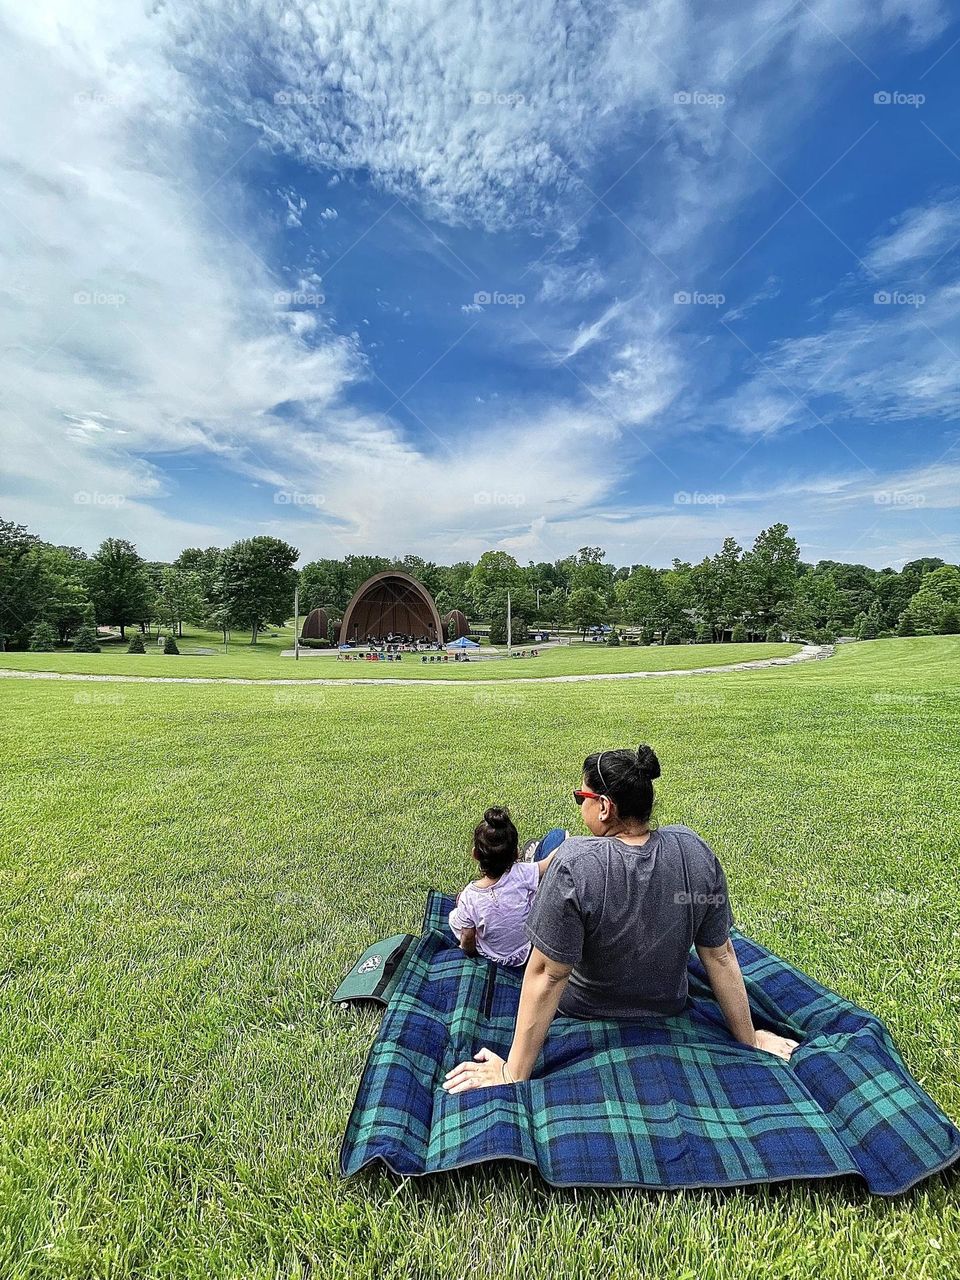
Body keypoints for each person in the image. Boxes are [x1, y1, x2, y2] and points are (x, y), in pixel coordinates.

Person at [444, 745, 798, 1094]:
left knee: (554, 842)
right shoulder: (695, 851)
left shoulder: (573, 865)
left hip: (585, 1007)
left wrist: (512, 1072)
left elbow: (547, 974)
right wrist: (749, 1039)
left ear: (604, 807)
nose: (580, 803)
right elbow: (720, 955)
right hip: (667, 1002)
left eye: (581, 797)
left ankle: (532, 857)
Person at [449, 807, 556, 967]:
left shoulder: (469, 897)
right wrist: (570, 845)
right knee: (557, 836)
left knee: (454, 917)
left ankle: (464, 913)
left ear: (475, 854)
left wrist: (469, 952)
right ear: (516, 854)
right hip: (526, 949)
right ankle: (533, 857)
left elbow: (468, 938)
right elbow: (547, 864)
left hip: (494, 955)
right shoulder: (521, 872)